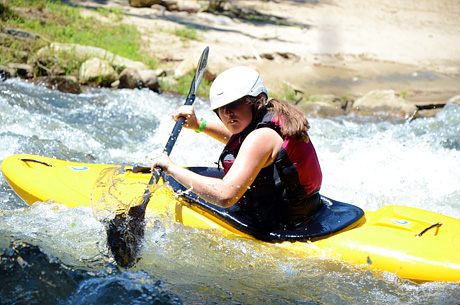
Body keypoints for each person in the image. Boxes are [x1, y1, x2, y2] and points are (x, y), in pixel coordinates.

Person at [151, 66, 323, 230]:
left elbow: (225, 196)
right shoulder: (269, 118)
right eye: (221, 108)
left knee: (180, 181)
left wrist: (171, 168)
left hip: (283, 222)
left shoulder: (262, 137)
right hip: (303, 209)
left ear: (257, 101)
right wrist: (199, 125)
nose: (227, 113)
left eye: (234, 104)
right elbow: (242, 140)